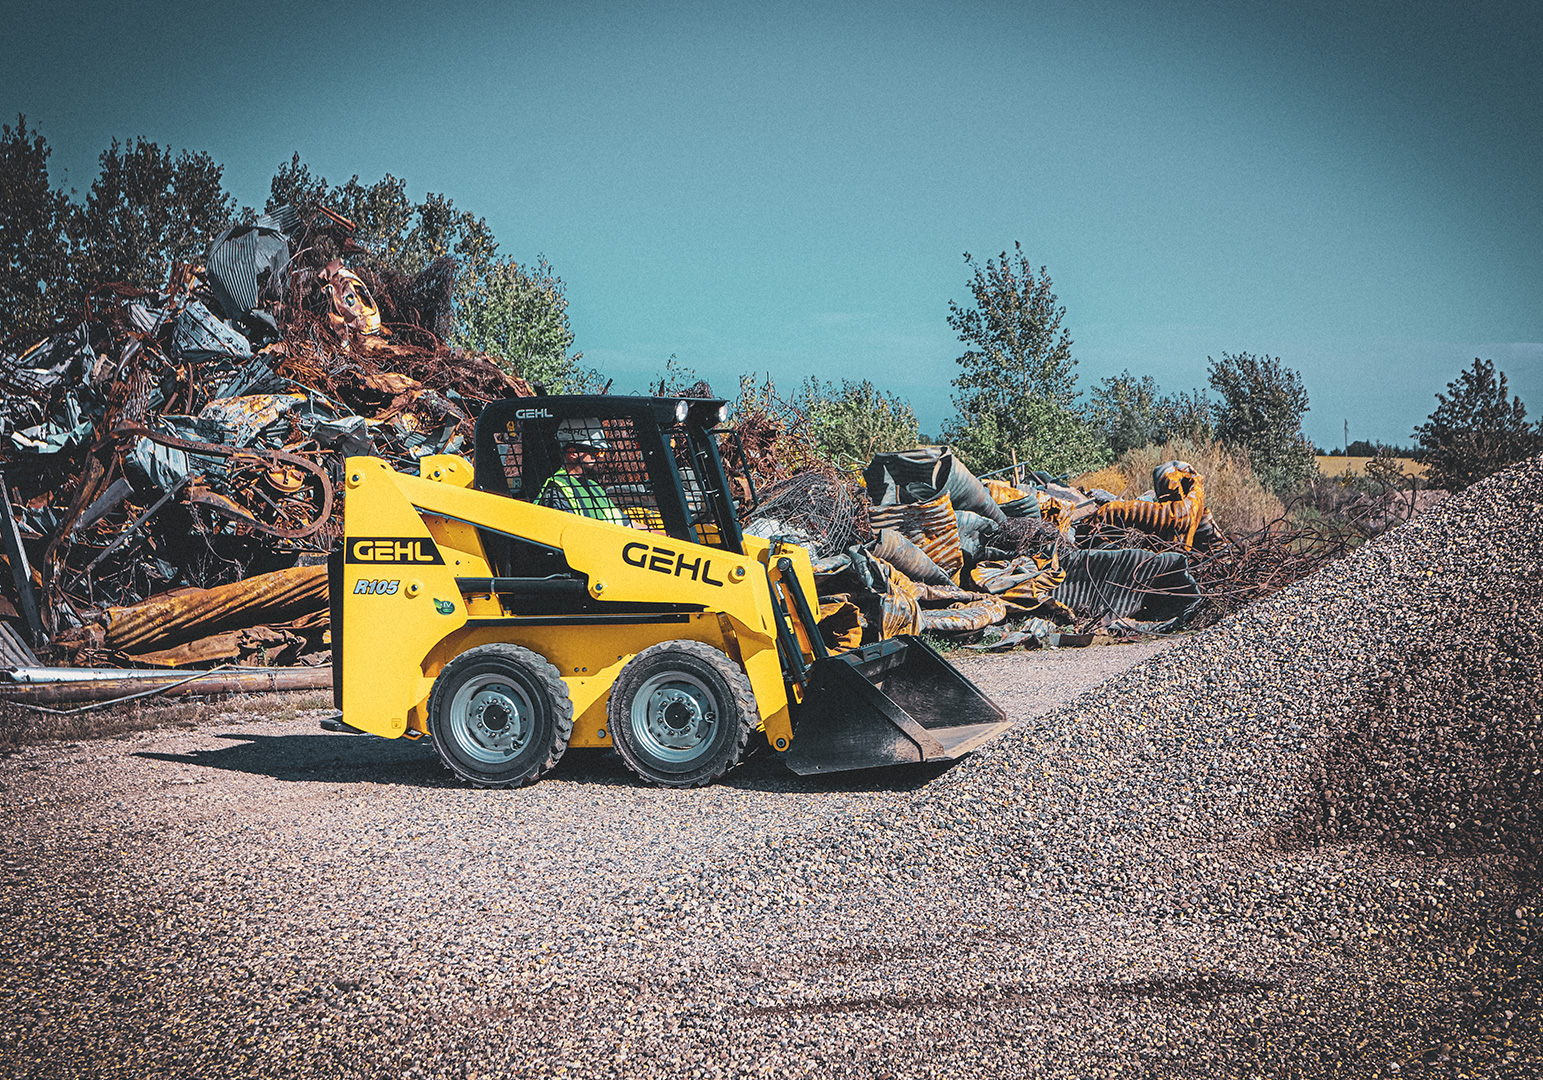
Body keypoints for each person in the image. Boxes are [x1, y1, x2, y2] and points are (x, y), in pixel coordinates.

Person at [536, 422, 630, 526]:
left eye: (602, 452)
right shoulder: (557, 489)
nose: (601, 457)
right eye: (596, 452)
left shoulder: (594, 487)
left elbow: (626, 524)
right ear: (573, 454)